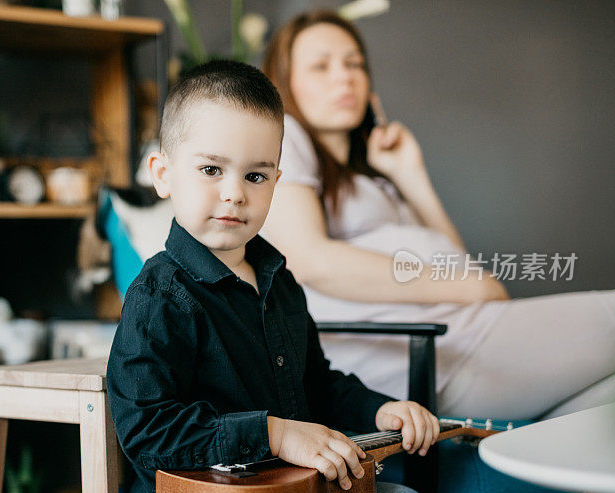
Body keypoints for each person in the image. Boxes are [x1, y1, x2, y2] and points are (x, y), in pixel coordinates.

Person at [106, 60, 440, 493]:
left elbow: (317, 384)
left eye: (255, 177)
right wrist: (274, 434)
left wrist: (379, 409)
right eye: (210, 169)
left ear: (275, 184)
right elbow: (147, 431)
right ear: (163, 173)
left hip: (293, 491)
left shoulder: (279, 281)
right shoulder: (159, 296)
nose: (234, 194)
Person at [260, 10, 615, 421]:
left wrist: (410, 176)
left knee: (604, 400)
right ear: (285, 81)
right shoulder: (286, 135)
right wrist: (470, 287)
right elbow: (312, 260)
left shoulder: (372, 178)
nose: (344, 77)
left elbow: (452, 258)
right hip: (419, 352)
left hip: (456, 332)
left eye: (354, 63)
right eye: (321, 66)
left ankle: (584, 488)